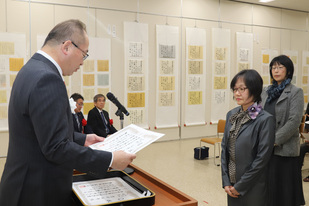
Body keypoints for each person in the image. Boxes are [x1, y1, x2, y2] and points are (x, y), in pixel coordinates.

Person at [0, 19, 136, 206]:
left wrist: (82, 139)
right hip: (36, 191)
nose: (82, 62)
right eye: (84, 54)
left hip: (22, 183)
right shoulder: (47, 78)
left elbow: (41, 132)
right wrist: (110, 160)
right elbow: (56, 147)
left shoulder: (31, 69)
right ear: (66, 47)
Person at [221, 69, 275, 206]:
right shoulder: (231, 115)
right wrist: (226, 181)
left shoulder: (264, 119)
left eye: (242, 89)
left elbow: (261, 159)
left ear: (255, 90)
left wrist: (241, 186)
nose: (237, 93)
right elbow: (224, 150)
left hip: (252, 186)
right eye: (235, 89)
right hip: (232, 183)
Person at [261, 55, 305, 206]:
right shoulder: (265, 91)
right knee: (269, 189)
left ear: (288, 71)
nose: (276, 70)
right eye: (273, 67)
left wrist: (273, 141)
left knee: (284, 193)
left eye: (280, 67)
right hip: (265, 148)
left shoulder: (295, 92)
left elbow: (294, 122)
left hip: (284, 149)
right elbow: (256, 113)